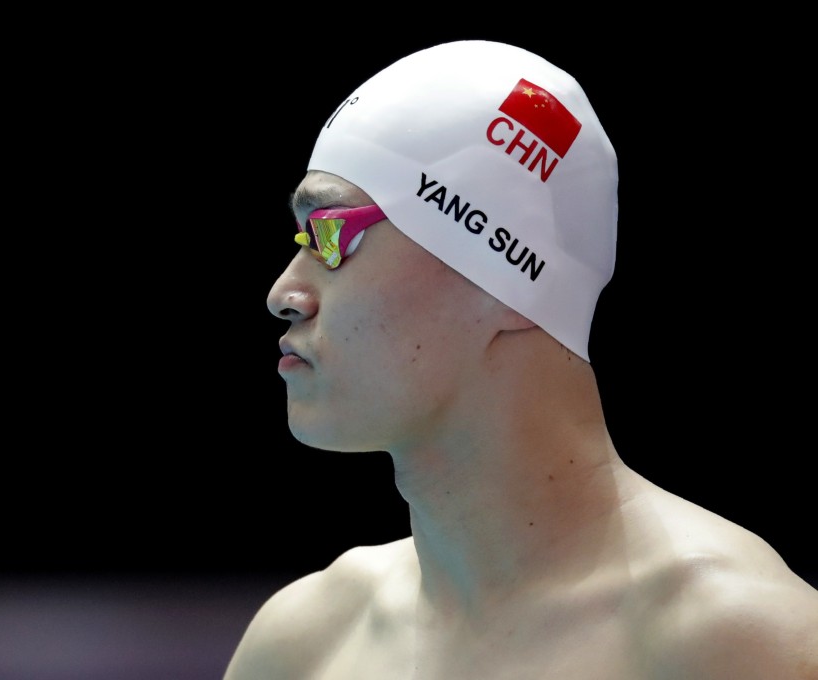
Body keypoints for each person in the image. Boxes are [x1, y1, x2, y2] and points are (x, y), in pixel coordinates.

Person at [224, 40, 818, 679]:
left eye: (332, 234)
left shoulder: (742, 645)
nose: (284, 294)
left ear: (502, 279)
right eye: (301, 237)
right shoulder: (304, 644)